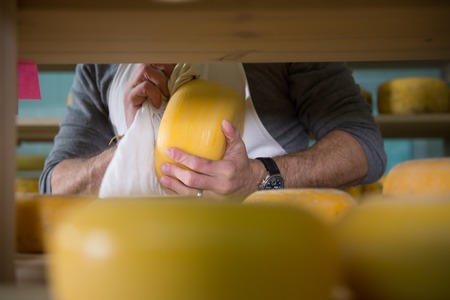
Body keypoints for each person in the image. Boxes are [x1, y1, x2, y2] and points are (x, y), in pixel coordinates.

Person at [39, 63, 386, 200]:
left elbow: (363, 146)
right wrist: (133, 148)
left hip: (261, 254)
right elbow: (53, 183)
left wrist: (260, 176)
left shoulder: (287, 29)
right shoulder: (99, 62)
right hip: (143, 256)